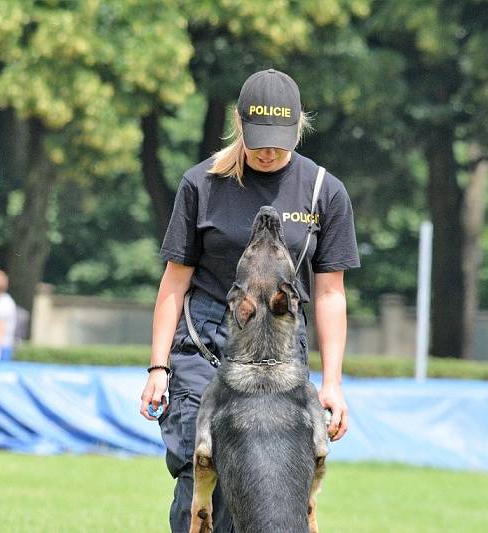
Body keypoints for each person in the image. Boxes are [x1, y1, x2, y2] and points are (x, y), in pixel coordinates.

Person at [139, 69, 360, 531]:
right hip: (205, 344)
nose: (268, 151)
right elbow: (174, 283)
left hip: (279, 357)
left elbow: (330, 293)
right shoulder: (202, 184)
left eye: (280, 141)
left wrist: (333, 384)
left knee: (267, 490)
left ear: (299, 127)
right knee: (195, 478)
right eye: (259, 138)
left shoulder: (324, 191)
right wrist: (158, 368)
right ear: (239, 124)